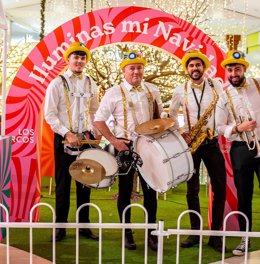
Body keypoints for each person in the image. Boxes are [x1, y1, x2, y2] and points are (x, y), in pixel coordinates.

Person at [94, 50, 164, 251]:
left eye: (139, 68)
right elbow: (98, 119)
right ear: (123, 71)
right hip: (125, 147)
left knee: (150, 191)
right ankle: (127, 233)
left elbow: (159, 116)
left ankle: (152, 235)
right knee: (125, 192)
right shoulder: (113, 92)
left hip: (150, 147)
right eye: (131, 68)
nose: (136, 72)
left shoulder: (153, 90)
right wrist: (114, 141)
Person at [168, 50, 227, 252]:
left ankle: (216, 235)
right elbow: (171, 114)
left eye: (198, 65)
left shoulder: (216, 85)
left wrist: (219, 126)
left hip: (211, 142)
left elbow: (224, 107)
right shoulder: (179, 89)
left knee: (220, 188)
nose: (195, 68)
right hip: (191, 144)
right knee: (192, 190)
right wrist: (182, 131)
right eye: (191, 66)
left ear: (204, 67)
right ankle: (195, 232)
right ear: (187, 69)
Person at [44, 42, 100, 242]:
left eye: (82, 57)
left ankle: (83, 227)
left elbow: (95, 111)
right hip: (63, 138)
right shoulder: (56, 83)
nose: (79, 61)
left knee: (85, 184)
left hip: (85, 139)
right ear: (68, 60)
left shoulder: (92, 82)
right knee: (63, 185)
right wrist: (66, 133)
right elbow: (49, 115)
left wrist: (94, 131)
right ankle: (60, 227)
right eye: (75, 57)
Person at [216, 50, 260, 256]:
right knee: (244, 196)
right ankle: (246, 238)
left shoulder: (258, 85)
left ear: (244, 69)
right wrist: (238, 129)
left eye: (237, 69)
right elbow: (218, 126)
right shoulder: (224, 95)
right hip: (242, 149)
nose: (234, 73)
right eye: (230, 69)